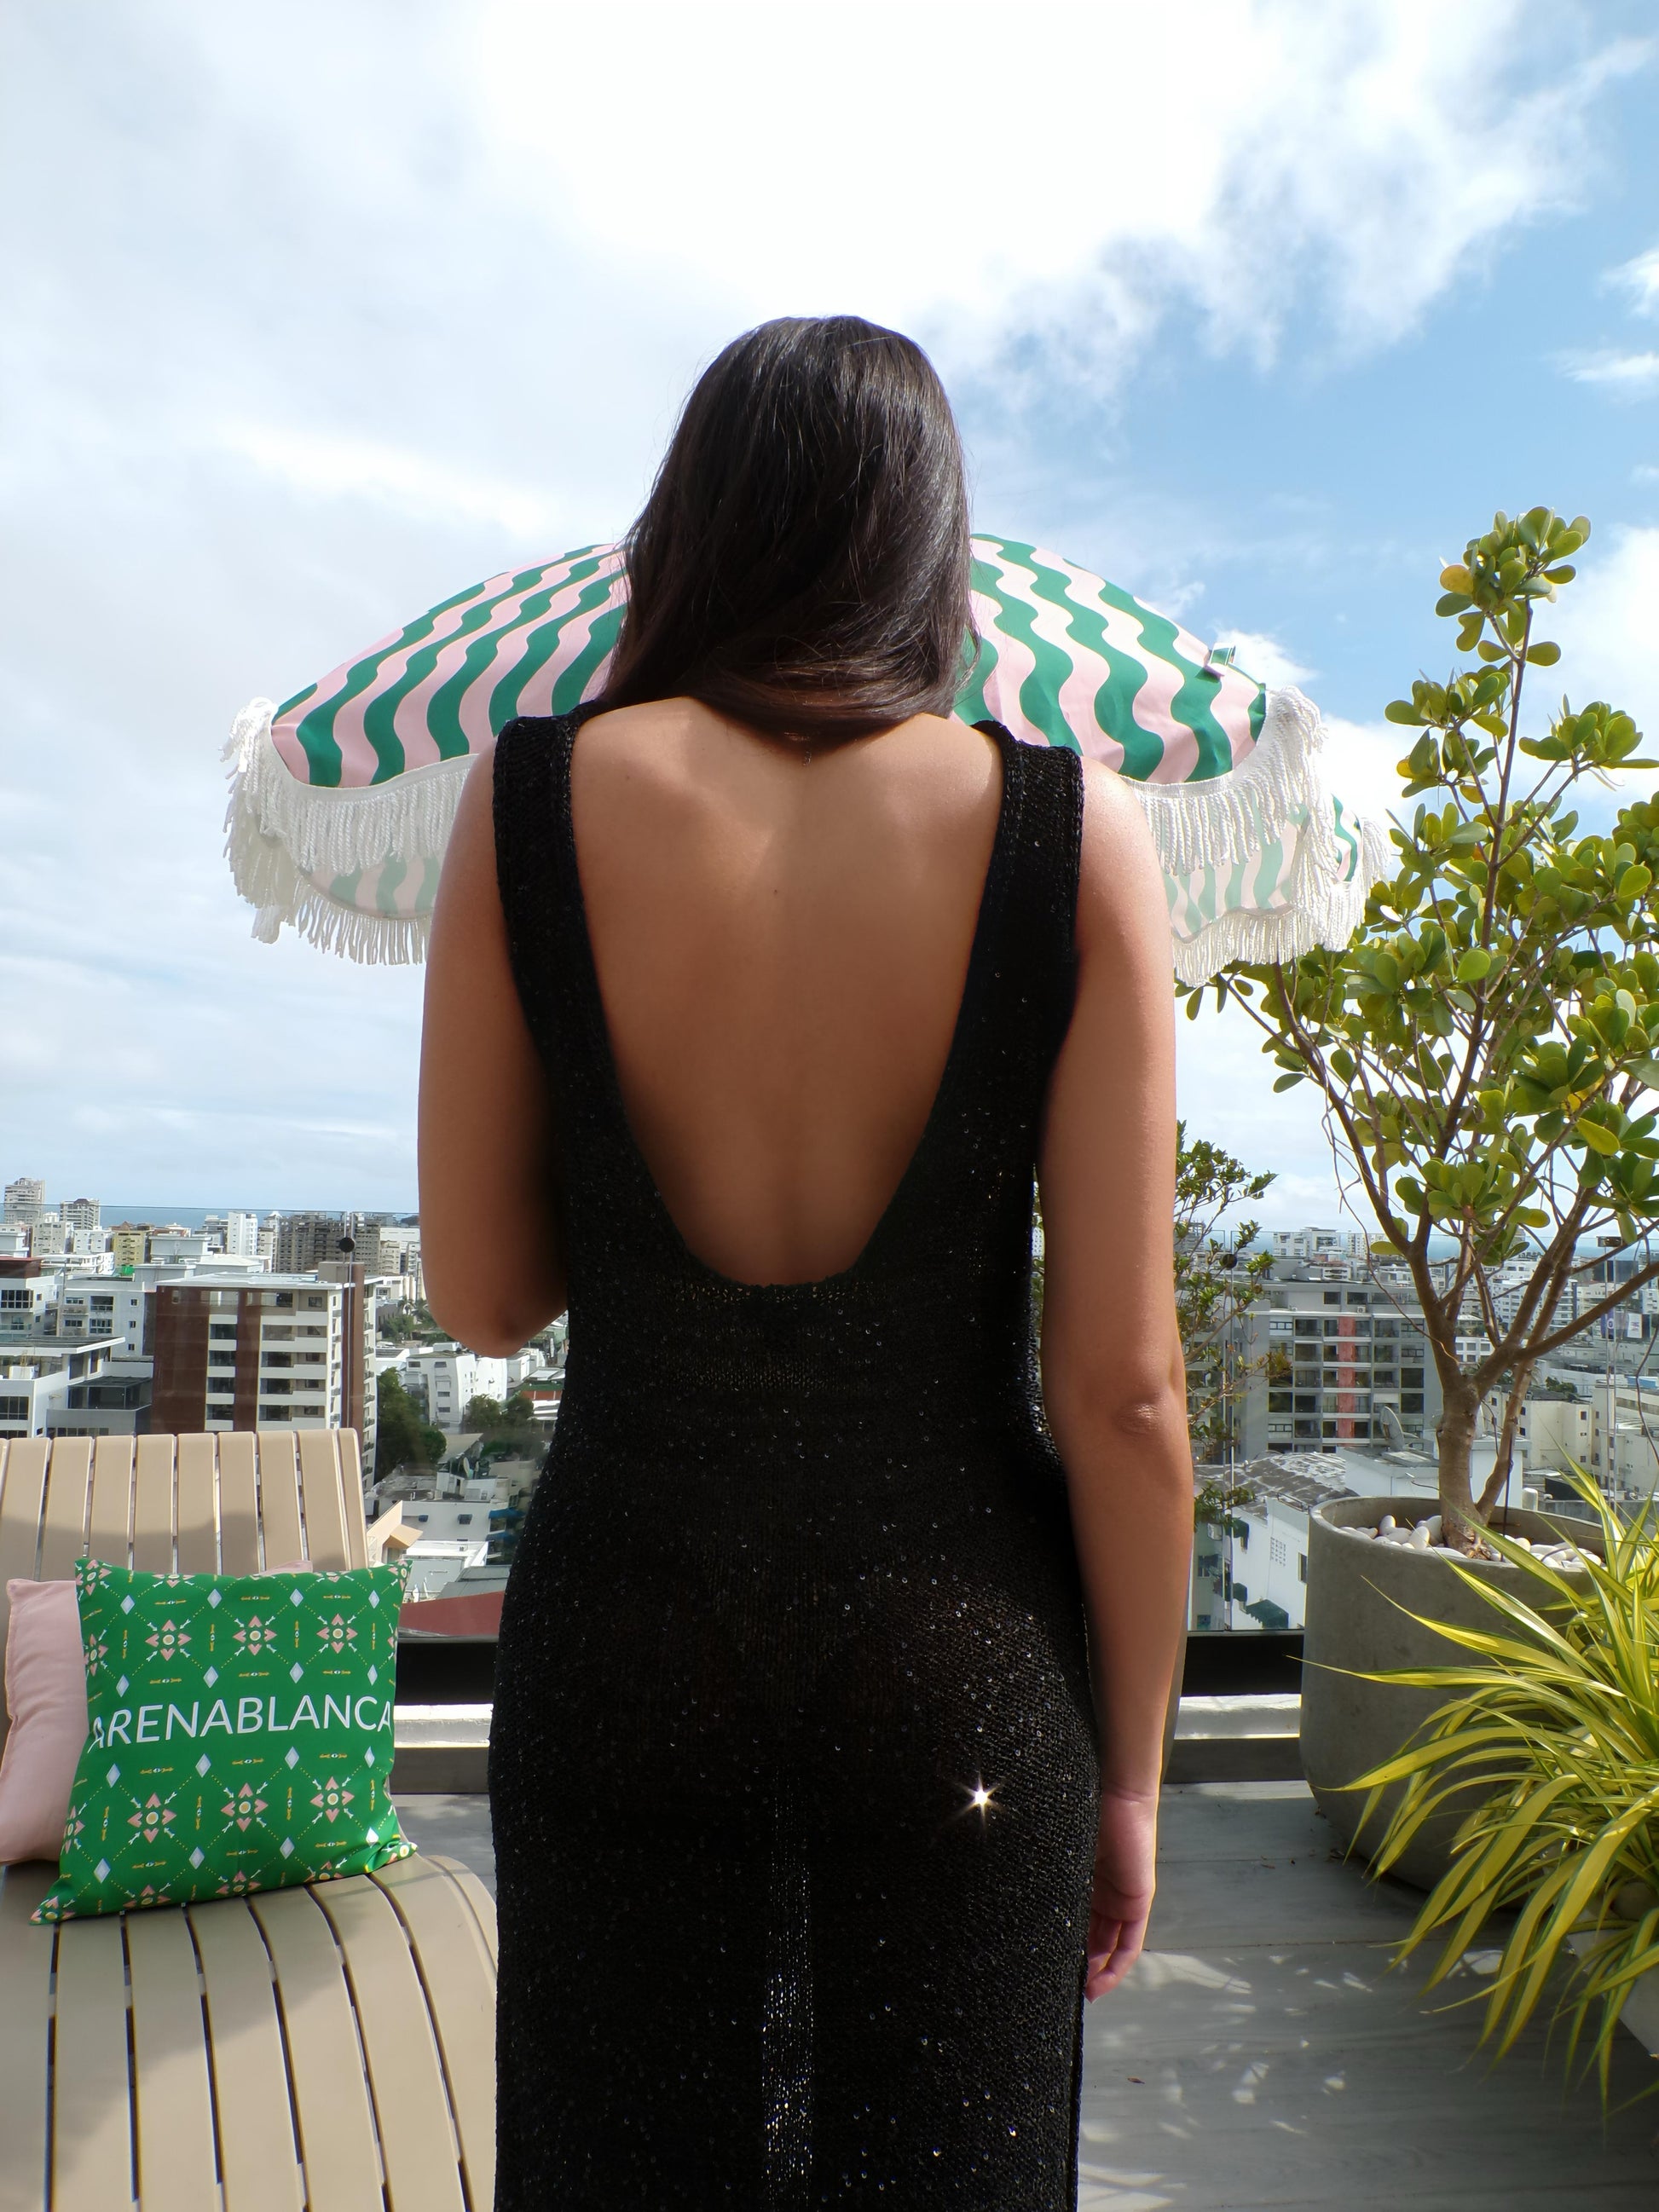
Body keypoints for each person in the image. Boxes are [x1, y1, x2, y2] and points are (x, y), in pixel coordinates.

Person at [418, 315, 1192, 2209]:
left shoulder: (528, 798)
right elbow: (1123, 1393)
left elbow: (481, 1297)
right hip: (961, 1677)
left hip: (622, 1651)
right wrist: (1129, 1774)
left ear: (687, 525)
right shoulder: (1071, 831)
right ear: (928, 544)